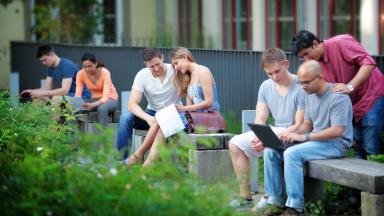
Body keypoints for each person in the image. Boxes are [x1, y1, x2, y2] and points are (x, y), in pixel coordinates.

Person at [257, 60, 353, 216]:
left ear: (320, 77)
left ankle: (296, 208)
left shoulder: (338, 97)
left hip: (335, 144)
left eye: (306, 82)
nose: (302, 86)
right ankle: (277, 203)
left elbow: (337, 131)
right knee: (271, 151)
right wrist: (290, 134)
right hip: (316, 141)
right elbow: (307, 124)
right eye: (300, 83)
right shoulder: (310, 95)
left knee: (292, 153)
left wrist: (305, 137)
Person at [228, 48, 306, 209]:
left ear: (286, 63)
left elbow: (300, 125)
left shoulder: (301, 85)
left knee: (270, 143)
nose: (274, 77)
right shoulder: (266, 86)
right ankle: (245, 198)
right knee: (234, 143)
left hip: (296, 135)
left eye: (278, 71)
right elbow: (261, 117)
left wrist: (267, 138)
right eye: (269, 73)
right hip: (276, 132)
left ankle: (269, 197)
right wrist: (259, 134)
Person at [291, 30, 384, 159]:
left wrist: (349, 86)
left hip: (371, 96)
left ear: (315, 43)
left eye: (307, 54)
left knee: (370, 146)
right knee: (358, 147)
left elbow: (369, 63)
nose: (306, 59)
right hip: (351, 104)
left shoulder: (341, 42)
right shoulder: (315, 64)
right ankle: (357, 179)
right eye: (303, 57)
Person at [122, 47, 221, 167]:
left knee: (162, 119)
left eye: (176, 63)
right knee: (162, 125)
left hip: (209, 117)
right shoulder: (188, 77)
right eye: (174, 65)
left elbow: (209, 102)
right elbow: (190, 108)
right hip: (194, 119)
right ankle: (146, 167)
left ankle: (138, 157)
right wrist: (182, 111)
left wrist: (183, 109)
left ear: (184, 57)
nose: (175, 68)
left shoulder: (203, 71)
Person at [115, 48, 181, 160]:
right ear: (145, 64)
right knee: (125, 118)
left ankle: (140, 160)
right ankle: (122, 161)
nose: (156, 69)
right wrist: (148, 118)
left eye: (157, 64)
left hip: (172, 114)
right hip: (151, 114)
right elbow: (132, 105)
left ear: (162, 57)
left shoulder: (175, 70)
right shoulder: (142, 75)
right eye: (151, 66)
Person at [21, 44, 91, 101]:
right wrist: (32, 91)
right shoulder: (50, 67)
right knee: (39, 98)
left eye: (44, 60)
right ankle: (36, 118)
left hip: (82, 97)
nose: (43, 63)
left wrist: (41, 93)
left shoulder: (67, 65)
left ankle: (53, 119)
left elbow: (64, 91)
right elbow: (47, 88)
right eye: (42, 61)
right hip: (69, 95)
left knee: (56, 98)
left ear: (52, 54)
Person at [75, 53, 119, 126]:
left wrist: (93, 105)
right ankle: (74, 135)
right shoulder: (80, 74)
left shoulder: (105, 73)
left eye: (90, 66)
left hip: (111, 100)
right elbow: (77, 95)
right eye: (84, 66)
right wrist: (77, 104)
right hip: (94, 100)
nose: (87, 69)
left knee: (102, 109)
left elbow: (105, 98)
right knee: (72, 108)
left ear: (95, 64)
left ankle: (103, 136)